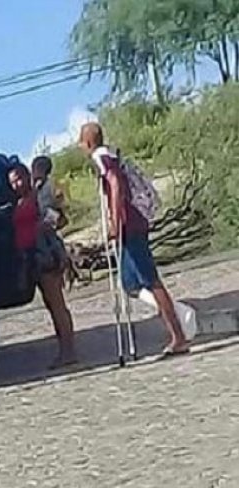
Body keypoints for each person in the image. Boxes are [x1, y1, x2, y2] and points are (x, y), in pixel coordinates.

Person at [79, 122, 189, 357]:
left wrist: (115, 222)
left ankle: (178, 334)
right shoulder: (111, 153)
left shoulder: (100, 157)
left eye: (81, 143)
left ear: (88, 143)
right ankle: (176, 314)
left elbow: (116, 183)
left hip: (130, 224)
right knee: (130, 283)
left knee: (150, 279)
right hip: (134, 222)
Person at [9, 165, 77, 368]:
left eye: (19, 179)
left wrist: (45, 226)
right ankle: (65, 349)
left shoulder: (38, 196)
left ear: (27, 176)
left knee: (57, 304)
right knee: (51, 304)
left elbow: (60, 218)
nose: (16, 184)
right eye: (12, 181)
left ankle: (68, 351)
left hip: (45, 254)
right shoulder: (19, 201)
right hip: (31, 257)